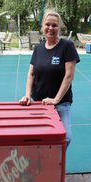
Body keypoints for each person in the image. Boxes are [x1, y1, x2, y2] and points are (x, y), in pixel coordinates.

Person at [19, 10, 80, 147]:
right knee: (35, 137)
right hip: (38, 101)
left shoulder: (67, 46)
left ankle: (53, 163)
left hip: (61, 102)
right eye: (47, 24)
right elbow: (31, 74)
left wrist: (56, 100)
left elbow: (69, 76)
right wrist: (28, 96)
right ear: (42, 26)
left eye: (54, 25)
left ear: (59, 28)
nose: (51, 28)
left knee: (65, 138)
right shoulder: (38, 49)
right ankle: (43, 162)